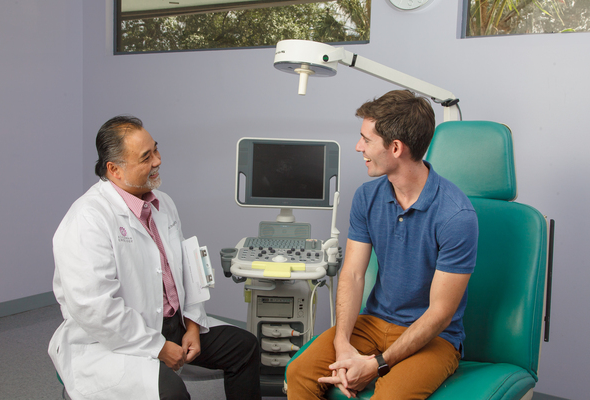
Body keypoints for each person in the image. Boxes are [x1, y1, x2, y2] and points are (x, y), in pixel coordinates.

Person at [48, 116, 261, 400]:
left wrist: (193, 325)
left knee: (245, 347)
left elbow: (187, 271)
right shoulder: (87, 219)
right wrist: (158, 347)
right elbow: (94, 308)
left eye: (156, 150)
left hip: (173, 325)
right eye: (146, 157)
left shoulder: (163, 204)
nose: (158, 161)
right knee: (172, 394)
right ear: (114, 169)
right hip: (111, 341)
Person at [286, 90, 478, 400]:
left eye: (367, 139)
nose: (358, 147)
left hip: (434, 337)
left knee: (389, 397)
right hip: (373, 323)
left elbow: (440, 313)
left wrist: (376, 365)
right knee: (299, 372)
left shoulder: (456, 216)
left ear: (396, 148)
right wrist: (342, 344)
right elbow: (352, 275)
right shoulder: (367, 197)